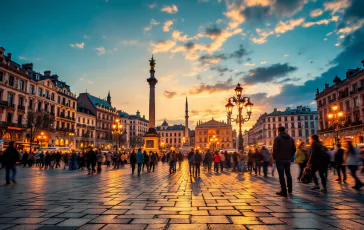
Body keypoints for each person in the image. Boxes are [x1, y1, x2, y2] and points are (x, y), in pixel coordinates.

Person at [273, 126, 296, 197]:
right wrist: (290, 156)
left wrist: (274, 157)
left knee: (281, 175)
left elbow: (275, 149)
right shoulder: (291, 139)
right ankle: (290, 190)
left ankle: (283, 190)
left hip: (280, 159)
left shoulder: (277, 138)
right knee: (288, 174)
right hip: (287, 159)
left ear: (278, 131)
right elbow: (294, 149)